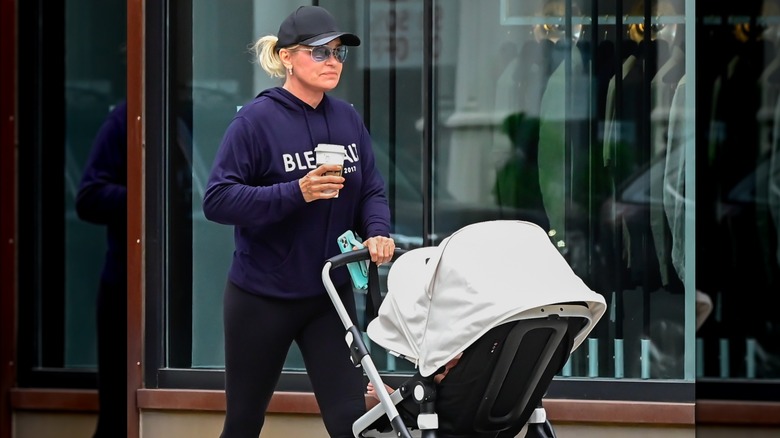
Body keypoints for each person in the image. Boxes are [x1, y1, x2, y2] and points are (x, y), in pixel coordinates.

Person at [202, 5, 395, 438]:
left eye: (339, 54)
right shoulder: (254, 122)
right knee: (244, 422)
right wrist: (297, 191)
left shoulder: (347, 119)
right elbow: (217, 200)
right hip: (261, 298)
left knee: (353, 425)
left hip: (328, 295)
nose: (333, 63)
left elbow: (371, 190)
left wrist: (378, 231)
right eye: (320, 53)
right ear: (287, 57)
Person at [75, 100, 128, 438]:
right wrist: (148, 195)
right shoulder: (124, 120)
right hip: (126, 283)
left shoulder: (186, 115)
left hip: (182, 284)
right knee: (118, 411)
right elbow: (89, 196)